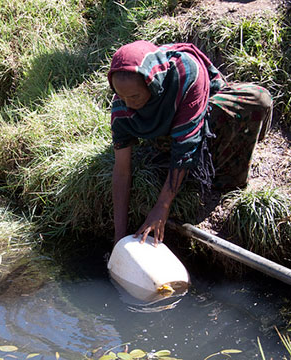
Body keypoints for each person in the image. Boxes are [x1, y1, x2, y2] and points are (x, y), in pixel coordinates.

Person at [108, 40, 272, 246]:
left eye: (134, 96)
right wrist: (119, 237)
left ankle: (221, 177)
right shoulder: (121, 107)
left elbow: (185, 147)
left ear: (154, 83)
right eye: (121, 95)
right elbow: (122, 170)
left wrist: (162, 207)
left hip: (199, 108)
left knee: (259, 98)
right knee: (173, 141)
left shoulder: (186, 75)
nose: (129, 103)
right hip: (166, 131)